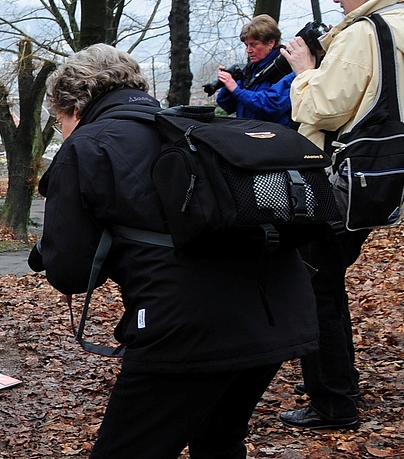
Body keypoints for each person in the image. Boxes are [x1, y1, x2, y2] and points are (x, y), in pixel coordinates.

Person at [29, 43, 319, 459]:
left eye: (59, 121)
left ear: (73, 106)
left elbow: (69, 271)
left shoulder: (87, 146)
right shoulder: (185, 126)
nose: (62, 130)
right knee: (217, 440)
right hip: (280, 309)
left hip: (187, 328)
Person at [279, 0, 404, 431]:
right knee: (326, 281)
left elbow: (323, 108)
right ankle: (338, 387)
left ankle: (333, 403)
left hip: (337, 180)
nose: (335, 0)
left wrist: (305, 73)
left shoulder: (364, 33)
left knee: (316, 287)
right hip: (381, 181)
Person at [215, 14, 295, 126]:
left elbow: (272, 105)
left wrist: (235, 89)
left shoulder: (287, 67)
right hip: (247, 134)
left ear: (271, 43)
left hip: (273, 138)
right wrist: (226, 84)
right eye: (246, 45)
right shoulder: (250, 69)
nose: (248, 50)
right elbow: (227, 105)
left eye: (254, 45)